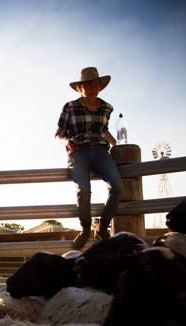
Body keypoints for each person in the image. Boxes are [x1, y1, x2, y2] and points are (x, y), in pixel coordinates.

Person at [55, 66, 124, 250]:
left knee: (118, 187)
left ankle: (102, 226)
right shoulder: (70, 107)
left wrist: (117, 145)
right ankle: (85, 228)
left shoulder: (106, 108)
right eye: (86, 84)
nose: (91, 87)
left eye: (94, 83)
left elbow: (103, 129)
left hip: (101, 151)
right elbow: (59, 134)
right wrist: (67, 142)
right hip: (78, 151)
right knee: (84, 189)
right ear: (80, 87)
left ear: (99, 86)